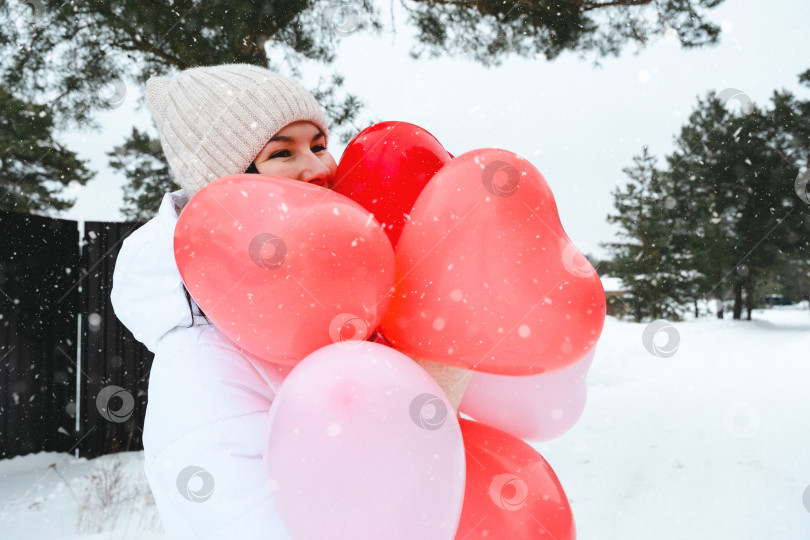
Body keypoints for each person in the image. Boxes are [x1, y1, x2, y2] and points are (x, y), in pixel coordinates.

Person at [110, 64, 468, 540]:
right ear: (227, 183)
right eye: (283, 152)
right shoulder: (202, 360)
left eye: (319, 144)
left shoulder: (342, 310)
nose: (321, 168)